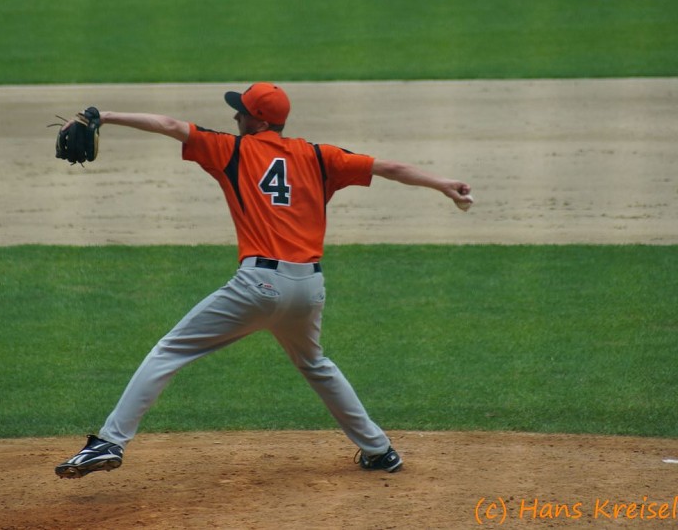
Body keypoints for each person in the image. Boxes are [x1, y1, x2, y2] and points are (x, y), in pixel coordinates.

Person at [55, 82, 473, 479]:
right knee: (315, 364)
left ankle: (110, 441)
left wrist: (105, 115)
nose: (235, 116)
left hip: (257, 286)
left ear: (258, 120)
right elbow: (391, 167)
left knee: (169, 351)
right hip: (309, 289)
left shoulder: (231, 149)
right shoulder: (319, 156)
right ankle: (379, 450)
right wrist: (444, 185)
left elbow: (168, 124)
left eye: (241, 111)